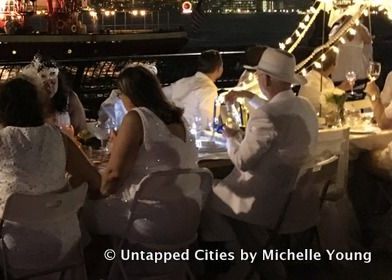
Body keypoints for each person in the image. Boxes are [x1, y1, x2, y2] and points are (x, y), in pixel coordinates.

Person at [0, 77, 101, 274]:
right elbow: (94, 179)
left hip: (14, 247)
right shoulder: (58, 137)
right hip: (64, 244)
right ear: (38, 105)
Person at [205, 48, 318, 231]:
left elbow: (242, 161)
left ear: (266, 79)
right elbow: (277, 111)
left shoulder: (265, 115)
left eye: (258, 76)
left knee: (206, 192)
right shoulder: (305, 106)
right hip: (299, 202)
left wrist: (231, 137)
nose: (257, 79)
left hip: (265, 203)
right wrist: (247, 95)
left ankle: (238, 251)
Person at [84, 64, 198, 241]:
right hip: (187, 216)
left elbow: (113, 178)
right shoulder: (179, 118)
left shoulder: (136, 117)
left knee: (79, 211)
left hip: (149, 217)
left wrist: (91, 192)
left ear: (129, 94)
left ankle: (106, 265)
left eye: (121, 94)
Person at [163, 50, 222, 133]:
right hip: (192, 137)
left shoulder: (182, 82)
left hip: (174, 132)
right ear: (219, 69)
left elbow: (159, 94)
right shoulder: (209, 89)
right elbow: (208, 124)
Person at [18, 55, 74, 132]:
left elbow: (83, 131)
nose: (49, 87)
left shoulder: (70, 99)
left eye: (53, 82)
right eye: (44, 84)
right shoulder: (24, 109)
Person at [330, 15, 373, 90]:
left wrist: (356, 23)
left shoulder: (362, 28)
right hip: (340, 73)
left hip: (359, 71)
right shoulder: (336, 28)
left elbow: (368, 41)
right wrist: (346, 22)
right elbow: (333, 40)